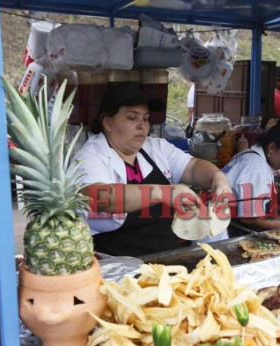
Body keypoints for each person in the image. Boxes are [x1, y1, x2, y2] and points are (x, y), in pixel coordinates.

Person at [73, 81, 232, 257]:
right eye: (132, 118)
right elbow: (99, 197)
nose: (142, 125)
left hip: (168, 257)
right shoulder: (91, 156)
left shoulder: (155, 147)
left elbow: (193, 166)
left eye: (146, 118)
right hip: (116, 264)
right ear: (108, 122)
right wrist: (162, 192)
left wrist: (217, 177)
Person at [222, 118, 280, 236]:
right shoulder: (257, 169)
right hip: (227, 230)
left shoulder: (249, 155)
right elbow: (249, 218)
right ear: (271, 147)